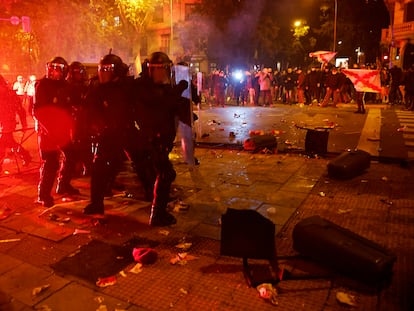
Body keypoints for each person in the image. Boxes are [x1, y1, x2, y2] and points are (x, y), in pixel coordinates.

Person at [134, 51, 190, 226]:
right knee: (165, 173)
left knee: (163, 174)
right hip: (152, 139)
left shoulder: (163, 88)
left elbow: (176, 104)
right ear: (149, 70)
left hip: (161, 138)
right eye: (156, 69)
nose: (160, 73)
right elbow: (162, 103)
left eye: (162, 69)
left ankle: (156, 206)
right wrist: (178, 90)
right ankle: (157, 214)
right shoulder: (143, 88)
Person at [82, 53, 140, 215]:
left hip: (126, 131)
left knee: (143, 163)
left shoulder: (127, 86)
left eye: (107, 69)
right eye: (101, 69)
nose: (103, 73)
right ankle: (96, 203)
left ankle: (155, 198)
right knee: (99, 168)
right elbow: (88, 110)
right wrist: (91, 129)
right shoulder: (97, 88)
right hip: (107, 134)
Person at [33, 56, 79, 208]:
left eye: (58, 68)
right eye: (52, 67)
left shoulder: (66, 86)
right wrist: (50, 129)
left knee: (72, 156)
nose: (53, 71)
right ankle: (43, 195)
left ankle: (63, 184)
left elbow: (71, 104)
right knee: (50, 163)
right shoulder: (42, 85)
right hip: (47, 132)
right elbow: (38, 111)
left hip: (63, 130)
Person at [0, 75, 31, 172]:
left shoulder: (9, 94)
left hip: (8, 122)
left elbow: (20, 110)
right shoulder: (9, 92)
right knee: (9, 142)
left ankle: (25, 156)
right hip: (4, 122)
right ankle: (25, 156)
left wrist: (24, 123)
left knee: (3, 142)